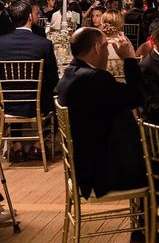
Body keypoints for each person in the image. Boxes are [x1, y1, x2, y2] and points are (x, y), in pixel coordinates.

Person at [55, 28, 145, 199]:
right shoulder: (95, 79)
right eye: (105, 47)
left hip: (81, 167)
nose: (107, 51)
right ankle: (145, 222)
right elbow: (137, 97)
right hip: (101, 172)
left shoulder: (69, 73)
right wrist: (129, 59)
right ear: (97, 47)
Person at [0, 0, 59, 160]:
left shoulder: (1, 43)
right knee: (59, 102)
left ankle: (17, 145)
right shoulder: (44, 44)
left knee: (15, 94)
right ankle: (38, 147)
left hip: (7, 103)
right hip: (36, 103)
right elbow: (53, 79)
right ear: (29, 17)